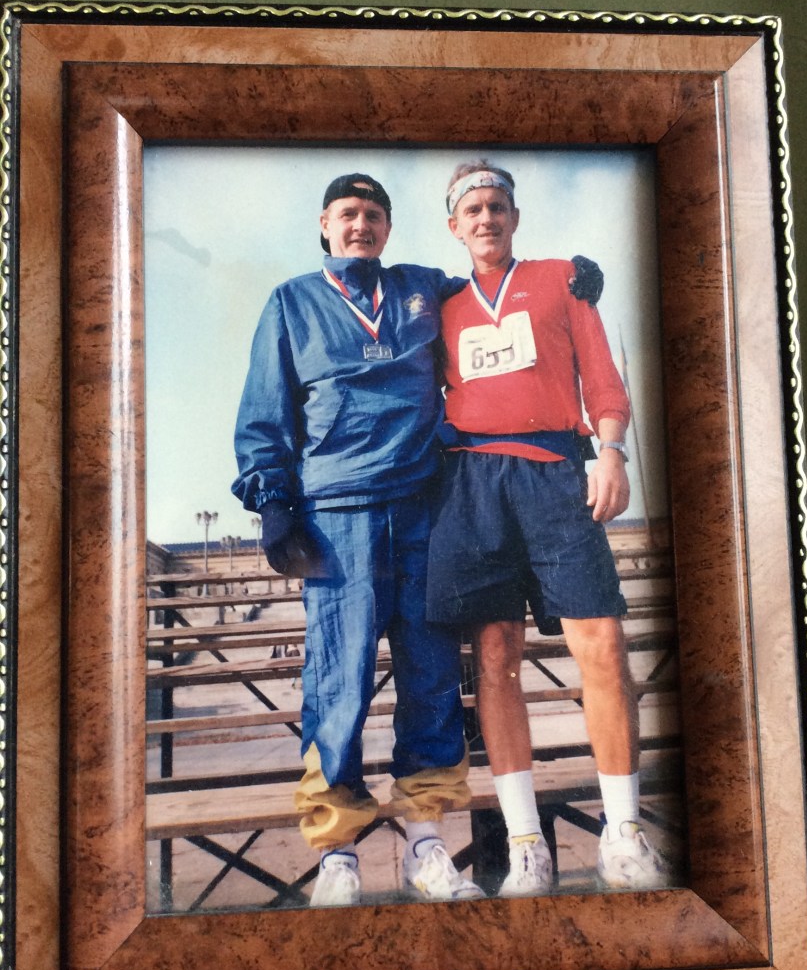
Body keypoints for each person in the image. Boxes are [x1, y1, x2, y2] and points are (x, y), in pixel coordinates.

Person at [232, 174, 484, 907]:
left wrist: (566, 286)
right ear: (325, 224)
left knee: (432, 675)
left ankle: (427, 844)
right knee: (337, 683)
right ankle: (337, 852)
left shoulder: (422, 287)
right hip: (337, 515)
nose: (362, 225)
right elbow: (263, 413)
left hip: (422, 507)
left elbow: (491, 280)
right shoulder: (291, 301)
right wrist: (274, 503)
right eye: (349, 213)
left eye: (374, 214)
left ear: (389, 226)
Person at [426, 161, 668, 897]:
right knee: (496, 657)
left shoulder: (562, 278)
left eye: (497, 205)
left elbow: (601, 378)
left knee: (601, 644)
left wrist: (613, 451)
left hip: (559, 475)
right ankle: (527, 844)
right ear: (454, 226)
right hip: (475, 486)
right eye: (471, 209)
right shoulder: (439, 303)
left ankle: (623, 834)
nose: (485, 218)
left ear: (515, 216)